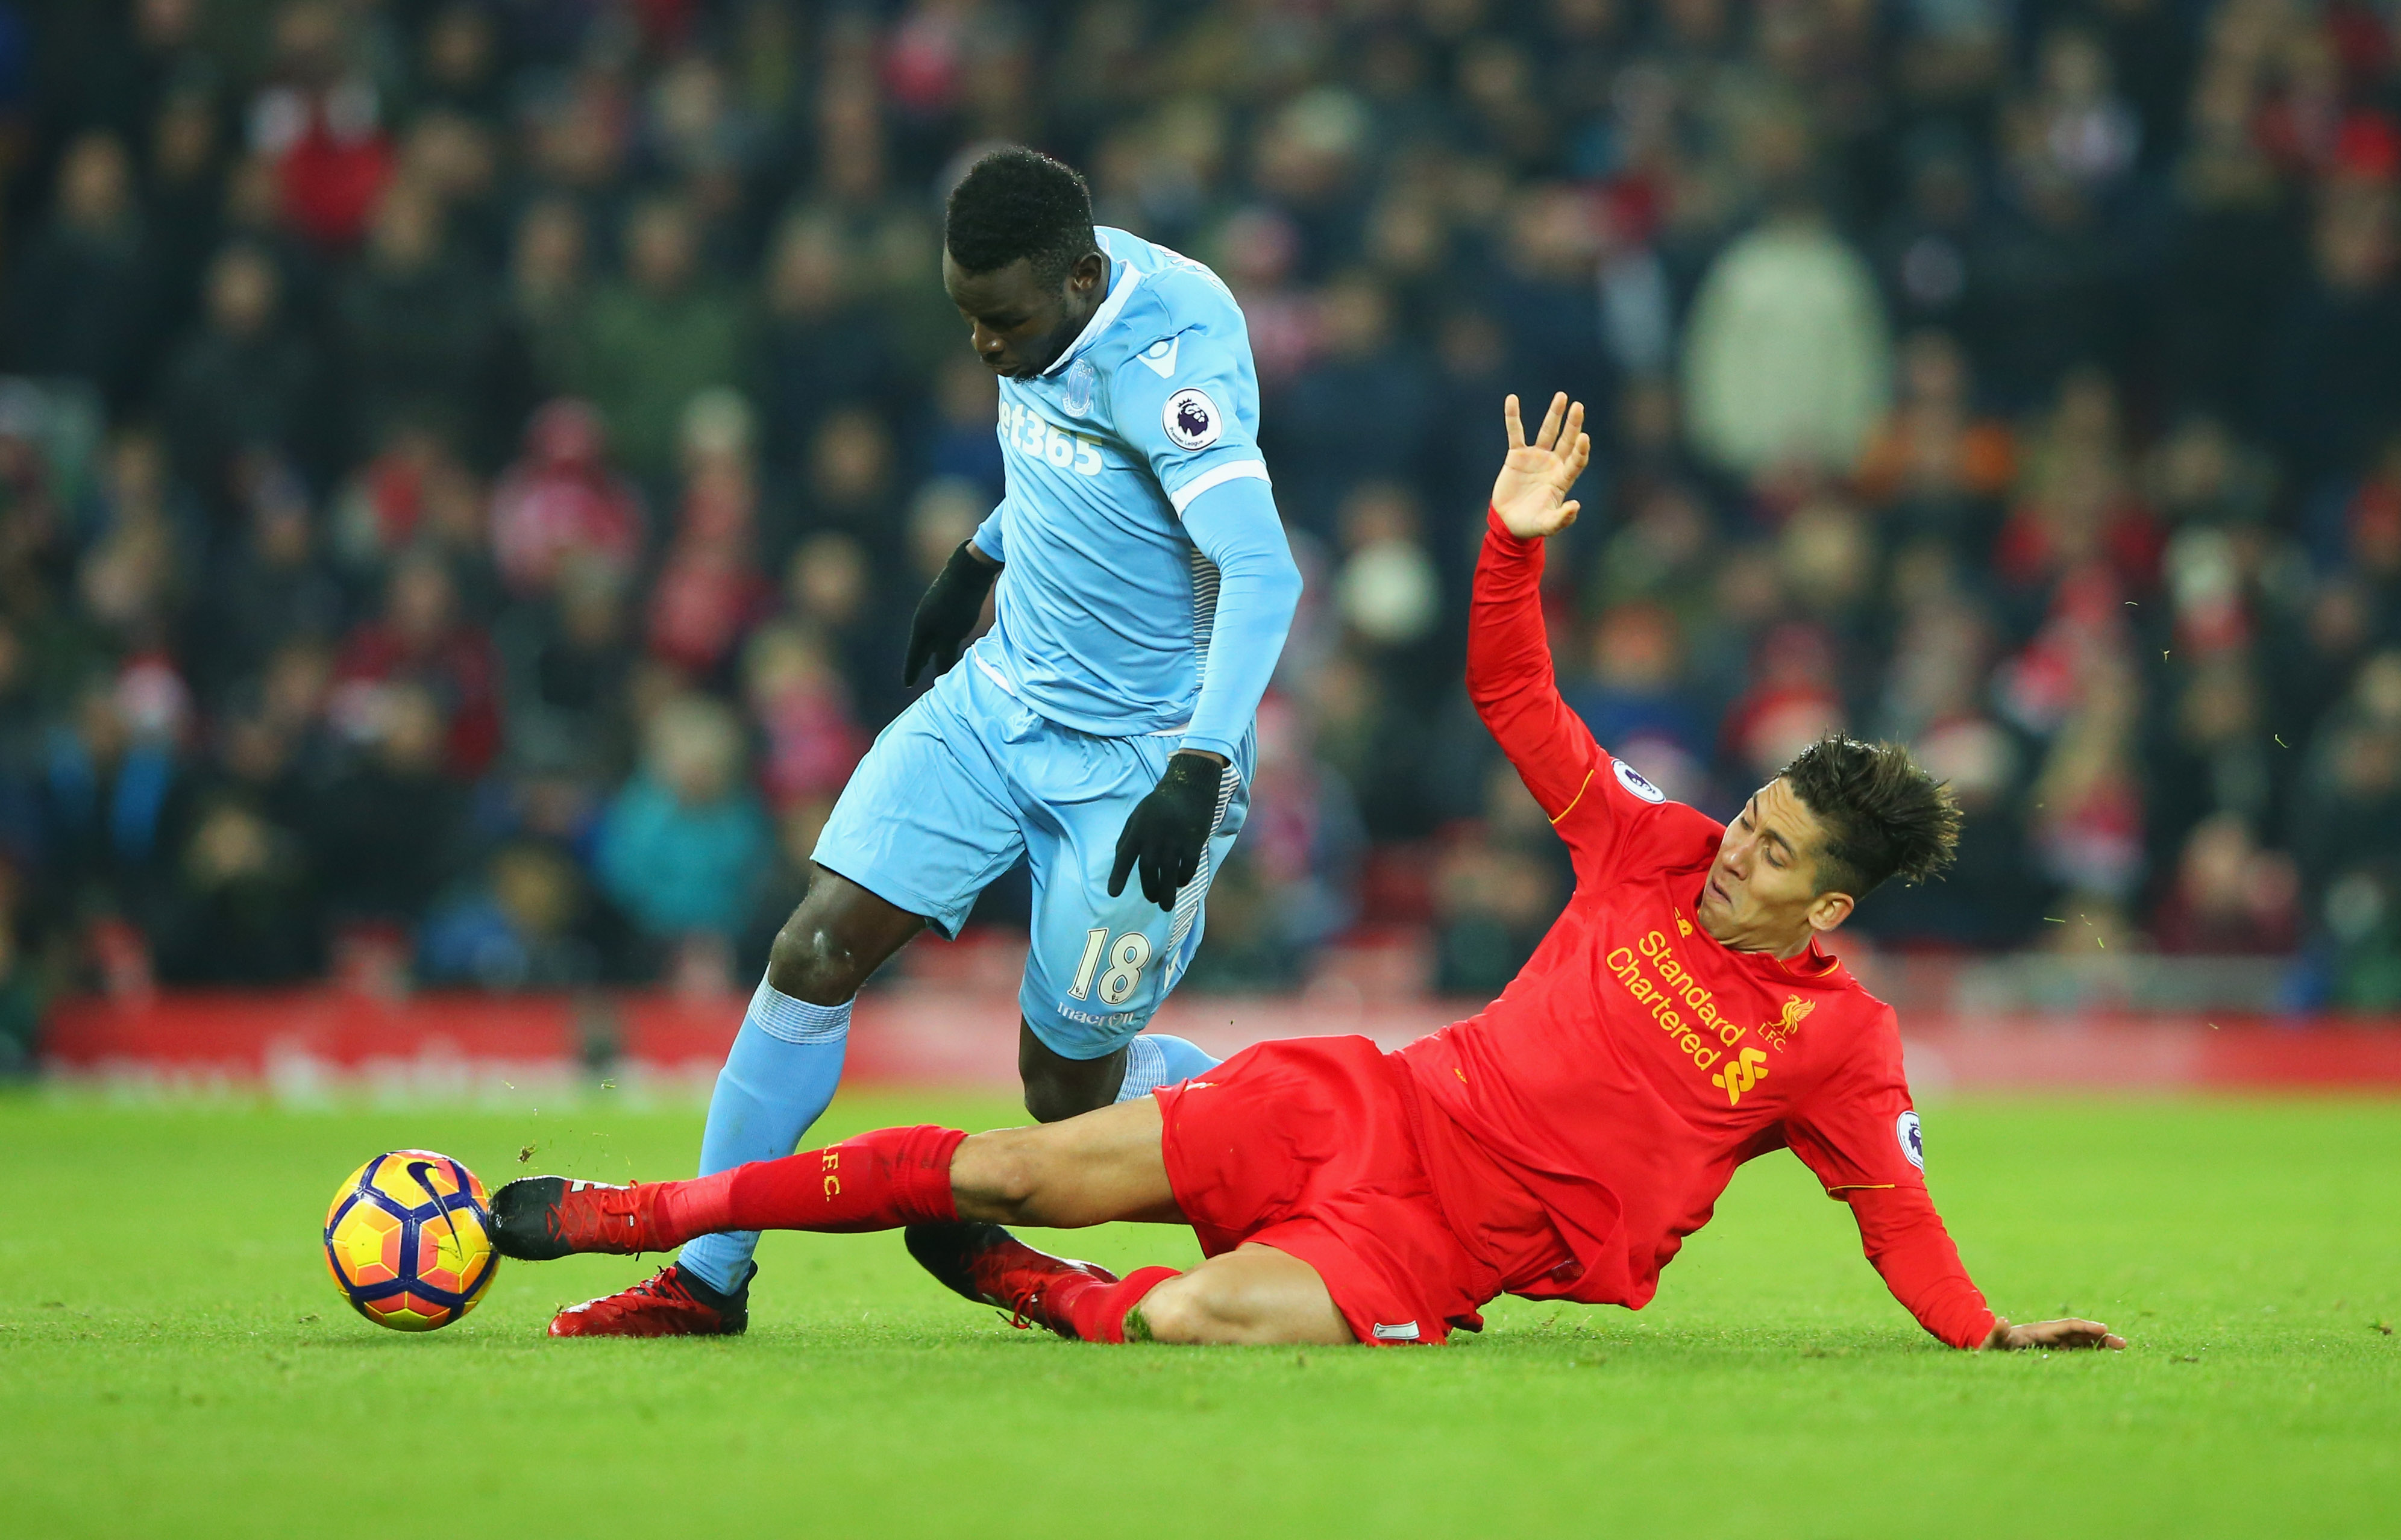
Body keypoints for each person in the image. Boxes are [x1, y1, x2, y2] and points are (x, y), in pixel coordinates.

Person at [494, 395, 2123, 1356]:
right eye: (1752, 810)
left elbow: (1894, 1211)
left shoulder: (1840, 1046)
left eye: (1772, 851)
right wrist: (1515, 539)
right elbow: (1511, 693)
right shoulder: (1652, 839)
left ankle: (1047, 1298)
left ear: (1828, 908)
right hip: (1369, 1105)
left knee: (1202, 1322)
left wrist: (1986, 1334)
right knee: (1000, 1152)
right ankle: (631, 1218)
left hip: (1438, 1245)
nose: (1734, 846)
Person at [550, 147, 1302, 1335]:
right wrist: (982, 557)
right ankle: (707, 1278)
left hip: (1143, 760)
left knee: (1065, 1102)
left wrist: (1199, 764)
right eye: (965, 318)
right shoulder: (1041, 309)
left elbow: (1264, 571)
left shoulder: (1172, 365)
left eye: (1001, 322)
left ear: (1080, 277)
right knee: (811, 950)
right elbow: (1074, 464)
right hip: (998, 706)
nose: (983, 347)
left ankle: (1296, 1124)